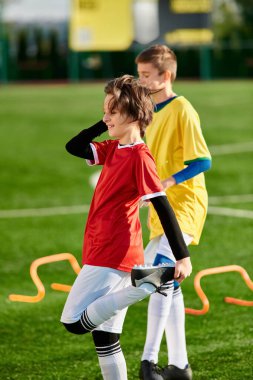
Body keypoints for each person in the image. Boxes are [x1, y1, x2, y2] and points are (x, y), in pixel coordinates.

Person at [60, 75, 192, 380]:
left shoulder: (139, 157)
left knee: (74, 322)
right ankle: (146, 283)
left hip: (112, 250)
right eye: (105, 110)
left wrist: (181, 257)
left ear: (133, 115)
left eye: (112, 111)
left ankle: (146, 284)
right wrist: (108, 118)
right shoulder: (114, 148)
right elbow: (74, 145)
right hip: (108, 249)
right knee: (106, 340)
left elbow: (162, 204)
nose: (106, 118)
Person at [135, 45, 212, 380]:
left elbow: (203, 160)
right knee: (167, 282)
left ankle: (148, 362)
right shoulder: (149, 111)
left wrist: (167, 180)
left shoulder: (183, 109)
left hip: (185, 206)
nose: (142, 81)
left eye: (146, 76)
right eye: (139, 75)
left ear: (165, 76)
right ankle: (180, 366)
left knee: (160, 275)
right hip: (161, 210)